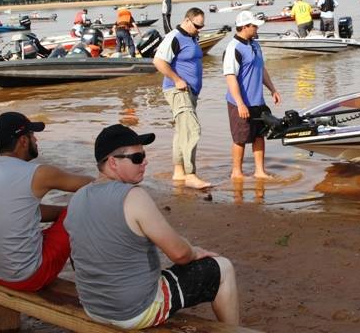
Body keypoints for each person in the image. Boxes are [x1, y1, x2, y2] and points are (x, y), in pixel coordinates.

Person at [64, 124, 239, 329]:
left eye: (144, 156)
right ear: (112, 162)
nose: (145, 162)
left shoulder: (78, 198)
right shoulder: (133, 197)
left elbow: (78, 256)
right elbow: (180, 254)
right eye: (137, 158)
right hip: (134, 311)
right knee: (222, 267)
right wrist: (194, 251)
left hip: (93, 308)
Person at [0, 112, 93, 291]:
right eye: (33, 135)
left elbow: (21, 211)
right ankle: (92, 287)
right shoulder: (38, 173)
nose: (36, 140)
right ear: (23, 141)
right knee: (82, 206)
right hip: (29, 277)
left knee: (69, 213)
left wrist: (62, 214)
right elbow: (91, 185)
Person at [153, 8, 211, 189]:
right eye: (197, 26)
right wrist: (177, 79)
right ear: (187, 20)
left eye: (202, 26)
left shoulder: (192, 37)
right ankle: (190, 174)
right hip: (177, 91)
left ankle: (179, 172)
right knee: (192, 130)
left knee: (181, 132)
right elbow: (158, 61)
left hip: (190, 92)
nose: (199, 29)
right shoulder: (174, 37)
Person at [223, 10, 281, 180]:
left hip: (258, 101)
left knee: (259, 135)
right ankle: (237, 172)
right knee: (240, 138)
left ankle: (259, 171)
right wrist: (240, 103)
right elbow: (231, 78)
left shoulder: (255, 45)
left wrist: (273, 89)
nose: (256, 29)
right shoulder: (233, 48)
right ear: (244, 27)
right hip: (239, 102)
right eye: (254, 26)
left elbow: (261, 69)